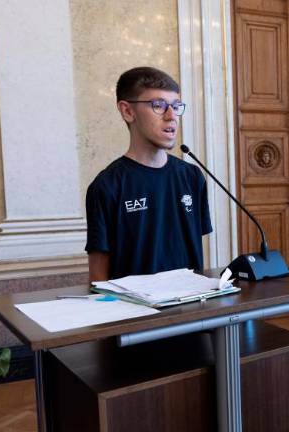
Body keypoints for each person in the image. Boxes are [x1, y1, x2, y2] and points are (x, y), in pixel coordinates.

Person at [85, 67, 212, 281]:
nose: (171, 116)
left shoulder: (192, 176)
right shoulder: (107, 186)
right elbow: (98, 279)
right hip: (134, 303)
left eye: (176, 106)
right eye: (158, 105)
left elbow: (195, 254)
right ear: (127, 111)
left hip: (191, 300)